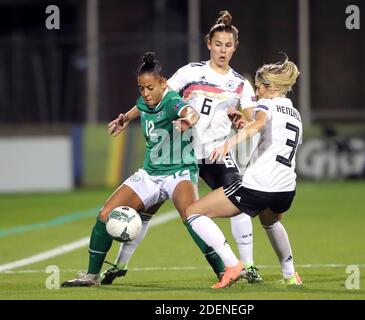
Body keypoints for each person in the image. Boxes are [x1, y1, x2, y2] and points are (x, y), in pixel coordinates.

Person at [99, 11, 265, 284]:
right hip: (178, 153)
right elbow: (157, 95)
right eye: (218, 44)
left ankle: (248, 266)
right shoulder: (190, 72)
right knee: (145, 213)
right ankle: (119, 264)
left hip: (214, 154)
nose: (223, 50)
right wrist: (126, 118)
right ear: (208, 44)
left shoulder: (240, 84)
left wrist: (240, 120)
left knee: (240, 202)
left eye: (228, 45)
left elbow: (250, 119)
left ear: (235, 47)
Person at [61, 52, 200, 287]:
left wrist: (189, 118)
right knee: (105, 215)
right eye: (141, 88)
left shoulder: (171, 101)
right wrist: (125, 118)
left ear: (163, 82)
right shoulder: (143, 102)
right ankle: (91, 276)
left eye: (149, 87)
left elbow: (187, 110)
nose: (145, 93)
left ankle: (227, 270)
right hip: (150, 173)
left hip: (179, 172)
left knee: (193, 218)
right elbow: (138, 107)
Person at [185, 55, 303, 288]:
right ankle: (291, 275)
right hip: (286, 189)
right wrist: (245, 123)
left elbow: (259, 124)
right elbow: (268, 132)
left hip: (259, 186)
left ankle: (232, 264)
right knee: (270, 222)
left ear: (269, 88)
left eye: (258, 88)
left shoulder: (266, 104)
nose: (256, 93)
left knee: (193, 213)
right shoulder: (295, 114)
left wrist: (227, 144)